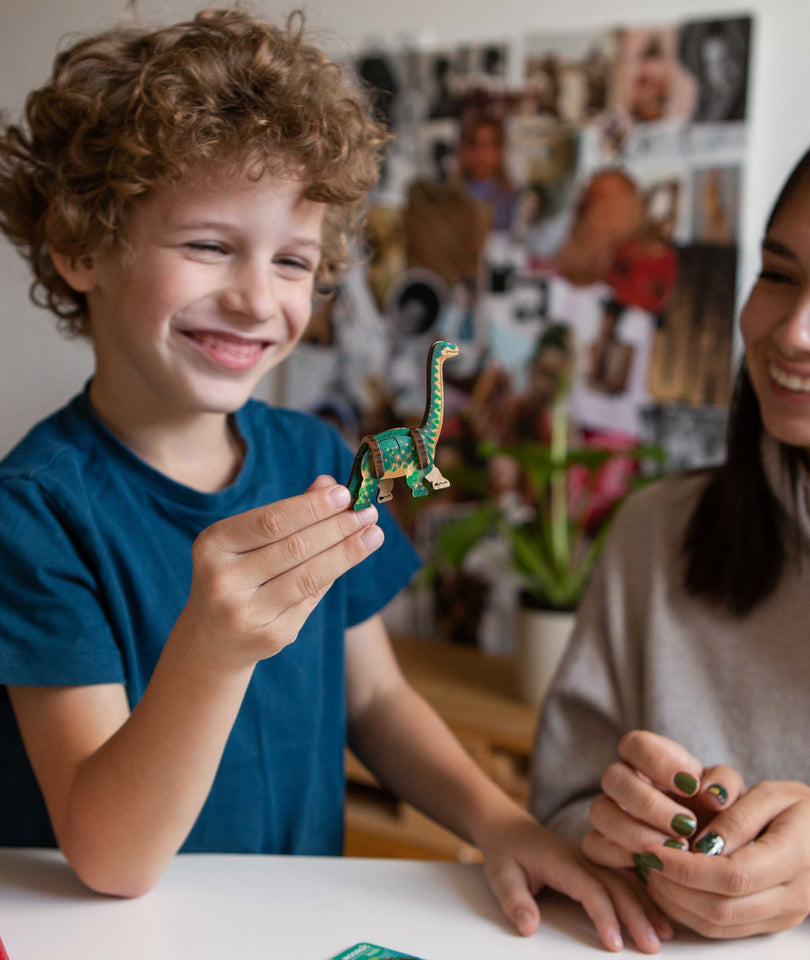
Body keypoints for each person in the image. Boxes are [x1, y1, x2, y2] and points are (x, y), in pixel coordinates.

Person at [0, 10, 667, 953]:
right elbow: (108, 858)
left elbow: (376, 702)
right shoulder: (33, 512)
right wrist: (214, 649)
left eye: (293, 261)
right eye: (206, 245)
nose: (256, 296)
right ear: (82, 247)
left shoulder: (317, 459)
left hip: (294, 928)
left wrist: (501, 824)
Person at [530, 98, 810, 950]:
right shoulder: (658, 532)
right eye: (778, 274)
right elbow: (563, 810)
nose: (791, 332)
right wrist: (625, 838)